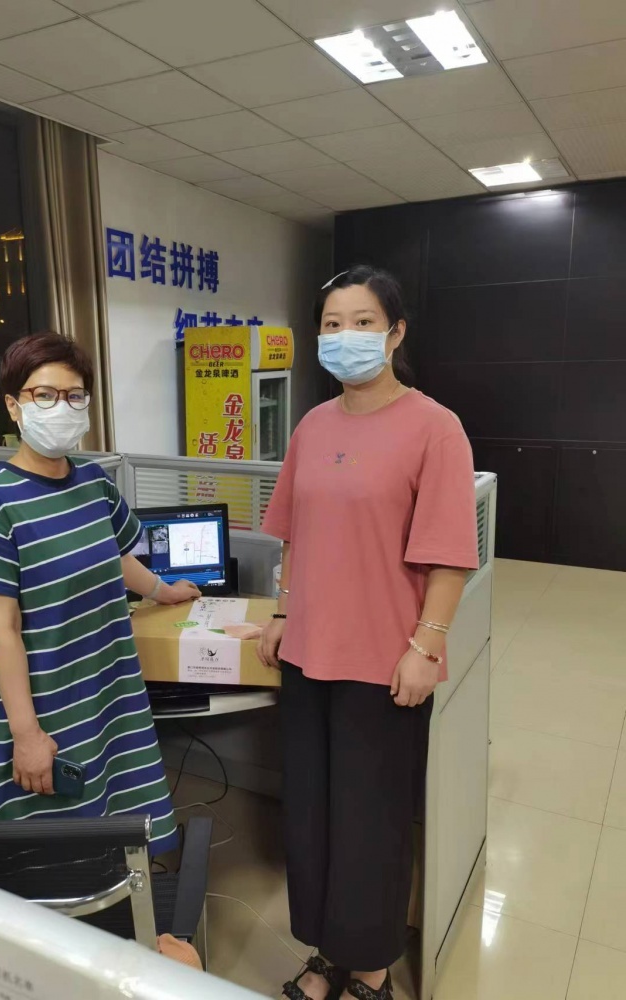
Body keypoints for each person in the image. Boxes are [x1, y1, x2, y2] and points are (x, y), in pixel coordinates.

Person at [257, 266, 479, 1000]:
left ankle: (373, 968)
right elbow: (293, 534)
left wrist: (425, 648)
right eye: (331, 323)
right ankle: (329, 950)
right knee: (314, 819)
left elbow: (450, 557)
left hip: (385, 663)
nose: (344, 336)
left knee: (371, 824)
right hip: (308, 655)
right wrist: (283, 613)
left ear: (395, 332)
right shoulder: (313, 426)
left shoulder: (435, 427)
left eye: (362, 322)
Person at [0, 332, 199, 847]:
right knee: (57, 855)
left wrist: (162, 591)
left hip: (108, 690)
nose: (62, 407)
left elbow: (116, 557)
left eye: (74, 395)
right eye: (44, 395)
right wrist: (27, 735)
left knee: (119, 829)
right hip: (45, 709)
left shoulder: (94, 482)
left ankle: (125, 903)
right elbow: (2, 631)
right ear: (13, 406)